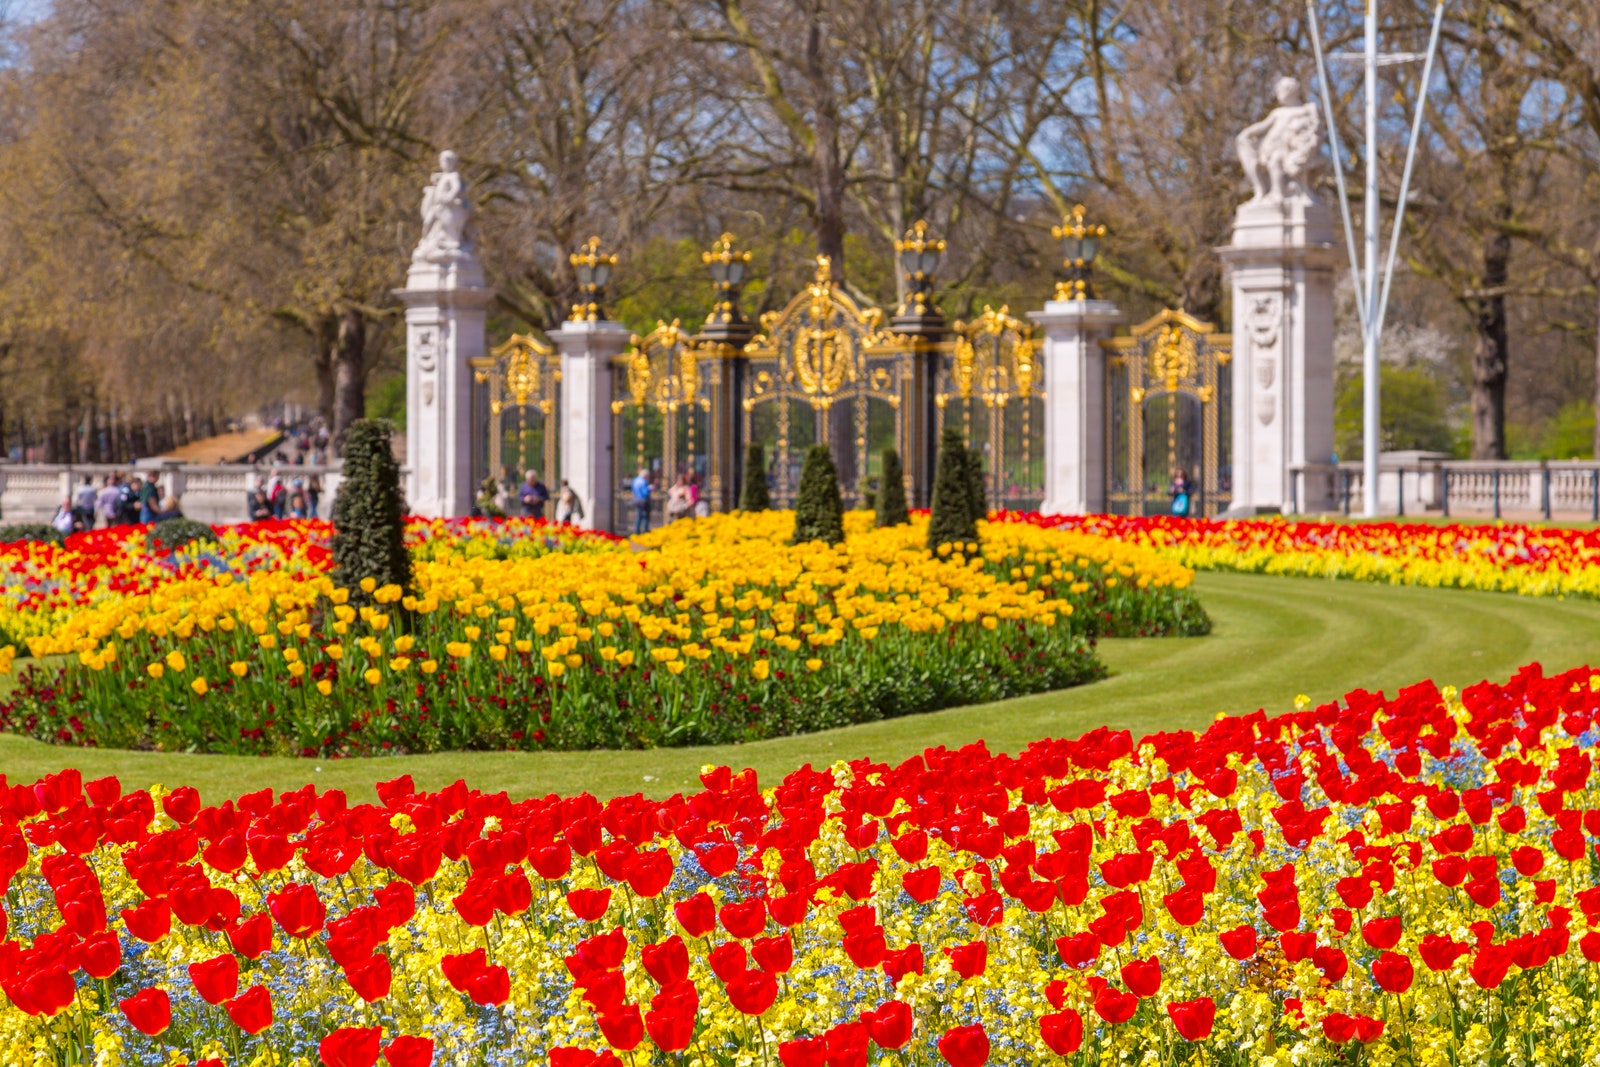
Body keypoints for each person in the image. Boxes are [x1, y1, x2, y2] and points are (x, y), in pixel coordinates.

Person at [630, 467, 653, 535]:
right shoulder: (643, 481)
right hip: (643, 500)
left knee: (638, 516)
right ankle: (644, 531)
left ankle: (637, 531)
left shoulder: (635, 480)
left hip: (636, 499)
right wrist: (649, 488)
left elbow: (633, 490)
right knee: (645, 516)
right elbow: (645, 492)